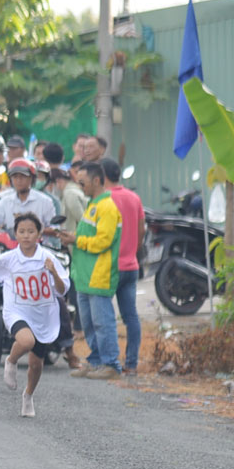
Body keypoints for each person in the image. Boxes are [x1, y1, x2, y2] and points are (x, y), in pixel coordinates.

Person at [0, 214, 70, 417]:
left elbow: (63, 289)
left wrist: (54, 273)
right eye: (22, 232)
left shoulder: (48, 258)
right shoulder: (10, 258)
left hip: (42, 313)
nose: (26, 236)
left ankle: (28, 395)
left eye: (31, 231)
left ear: (39, 234)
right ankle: (11, 361)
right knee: (26, 341)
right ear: (15, 234)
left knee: (36, 364)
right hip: (17, 310)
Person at [59, 162, 122, 379]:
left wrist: (76, 239)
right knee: (88, 324)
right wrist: (72, 238)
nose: (80, 186)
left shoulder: (107, 207)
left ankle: (111, 364)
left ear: (96, 181)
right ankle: (95, 361)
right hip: (85, 275)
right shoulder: (92, 205)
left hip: (99, 275)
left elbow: (103, 241)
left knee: (103, 323)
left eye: (82, 182)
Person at [102, 156, 144, 374]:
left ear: (102, 176)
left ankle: (109, 362)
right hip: (131, 265)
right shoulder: (134, 198)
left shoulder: (104, 199)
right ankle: (131, 364)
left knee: (105, 316)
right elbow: (142, 230)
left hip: (108, 267)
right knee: (131, 316)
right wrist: (133, 251)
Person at [0, 159, 57, 239]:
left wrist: (36, 231)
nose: (18, 180)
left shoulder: (45, 201)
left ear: (32, 178)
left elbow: (55, 228)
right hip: (9, 247)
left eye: (23, 176)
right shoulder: (5, 201)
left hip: (38, 247)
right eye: (15, 177)